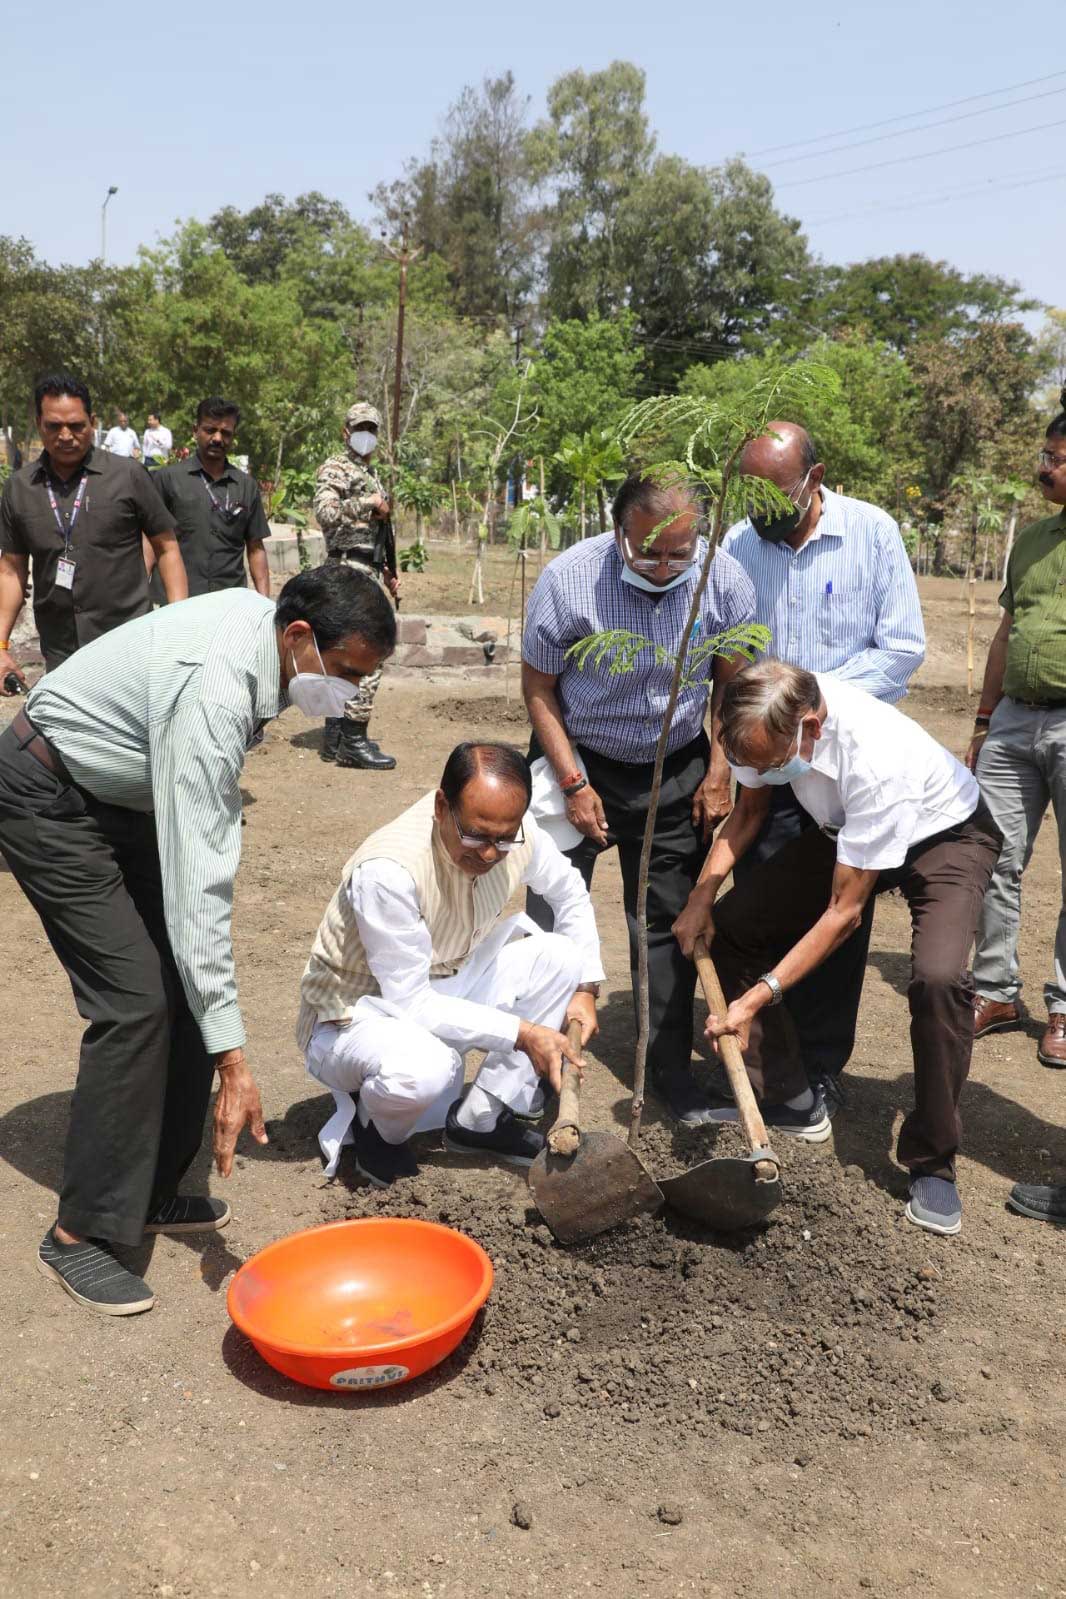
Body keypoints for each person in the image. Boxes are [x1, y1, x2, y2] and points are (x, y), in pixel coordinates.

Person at [0, 564, 396, 1316]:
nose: (347, 694)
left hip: (119, 793)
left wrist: (218, 1025)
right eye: (344, 673)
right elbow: (199, 881)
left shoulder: (265, 635)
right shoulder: (214, 687)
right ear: (301, 635)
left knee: (181, 984)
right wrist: (234, 1055)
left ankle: (147, 1190)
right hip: (45, 792)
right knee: (134, 1002)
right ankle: (78, 1233)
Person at [673, 660, 1001, 1236]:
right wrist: (702, 894)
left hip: (944, 835)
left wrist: (755, 999)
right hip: (846, 829)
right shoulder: (760, 723)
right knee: (731, 926)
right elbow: (748, 814)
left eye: (773, 764)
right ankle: (791, 1099)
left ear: (812, 728)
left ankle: (933, 1162)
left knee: (937, 978)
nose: (766, 773)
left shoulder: (874, 758)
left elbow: (843, 913)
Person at [522, 471, 757, 1126]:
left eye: (679, 553)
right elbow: (539, 689)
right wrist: (571, 783)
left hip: (674, 766)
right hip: (578, 754)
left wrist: (718, 769)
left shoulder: (726, 582)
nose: (662, 567)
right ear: (617, 529)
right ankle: (535, 1071)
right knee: (549, 921)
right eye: (648, 551)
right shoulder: (569, 581)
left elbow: (731, 690)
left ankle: (669, 1075)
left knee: (664, 922)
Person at [720, 421, 926, 1111]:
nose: (763, 513)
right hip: (765, 761)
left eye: (775, 497)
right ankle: (773, 1059)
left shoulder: (873, 533)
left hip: (842, 766)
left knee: (840, 918)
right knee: (763, 912)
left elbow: (900, 649)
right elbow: (725, 651)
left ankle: (824, 1059)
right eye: (752, 498)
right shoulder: (738, 547)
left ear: (815, 477)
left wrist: (808, 700)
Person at [298, 741, 604, 1186]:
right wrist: (524, 1034)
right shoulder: (390, 870)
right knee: (424, 1069)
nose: (489, 853)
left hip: (445, 980)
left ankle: (481, 1119)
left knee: (562, 958)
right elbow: (411, 1004)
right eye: (477, 835)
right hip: (352, 1015)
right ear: (443, 805)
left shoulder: (514, 833)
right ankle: (377, 1134)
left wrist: (585, 990)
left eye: (504, 837)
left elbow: (569, 892)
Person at [968, 404, 1066, 1067]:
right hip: (1012, 722)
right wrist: (981, 719)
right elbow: (1006, 633)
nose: (1044, 466)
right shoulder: (1031, 539)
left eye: (1057, 457)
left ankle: (1064, 1007)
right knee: (990, 854)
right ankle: (996, 988)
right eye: (1047, 453)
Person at [0, 372, 187, 692]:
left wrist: (179, 625)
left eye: (76, 425)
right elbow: (12, 572)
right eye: (53, 426)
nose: (65, 435)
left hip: (129, 642)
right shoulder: (19, 488)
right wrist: (1, 647)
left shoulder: (128, 475)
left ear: (93, 421)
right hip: (61, 650)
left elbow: (166, 547)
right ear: (38, 423)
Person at [312, 401, 400, 770]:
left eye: (372, 429)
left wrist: (389, 570)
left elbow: (380, 529)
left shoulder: (370, 471)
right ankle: (353, 739)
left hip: (367, 566)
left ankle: (336, 735)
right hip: (346, 568)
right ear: (345, 431)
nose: (367, 435)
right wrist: (368, 503)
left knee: (346, 652)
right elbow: (325, 512)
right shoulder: (336, 467)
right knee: (370, 652)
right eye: (360, 427)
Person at [153, 399, 271, 599]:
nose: (217, 438)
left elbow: (256, 548)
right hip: (178, 602)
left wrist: (266, 605)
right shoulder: (168, 479)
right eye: (210, 430)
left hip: (229, 603)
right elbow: (151, 542)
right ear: (195, 430)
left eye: (226, 433)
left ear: (233, 436)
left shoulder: (246, 486)